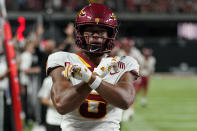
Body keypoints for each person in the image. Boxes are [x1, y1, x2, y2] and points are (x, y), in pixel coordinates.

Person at [46, 3, 139, 131]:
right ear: (81, 33)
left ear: (110, 35)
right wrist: (96, 76)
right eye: (90, 30)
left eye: (101, 31)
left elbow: (125, 101)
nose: (95, 35)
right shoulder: (62, 59)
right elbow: (62, 105)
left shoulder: (124, 63)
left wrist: (90, 78)